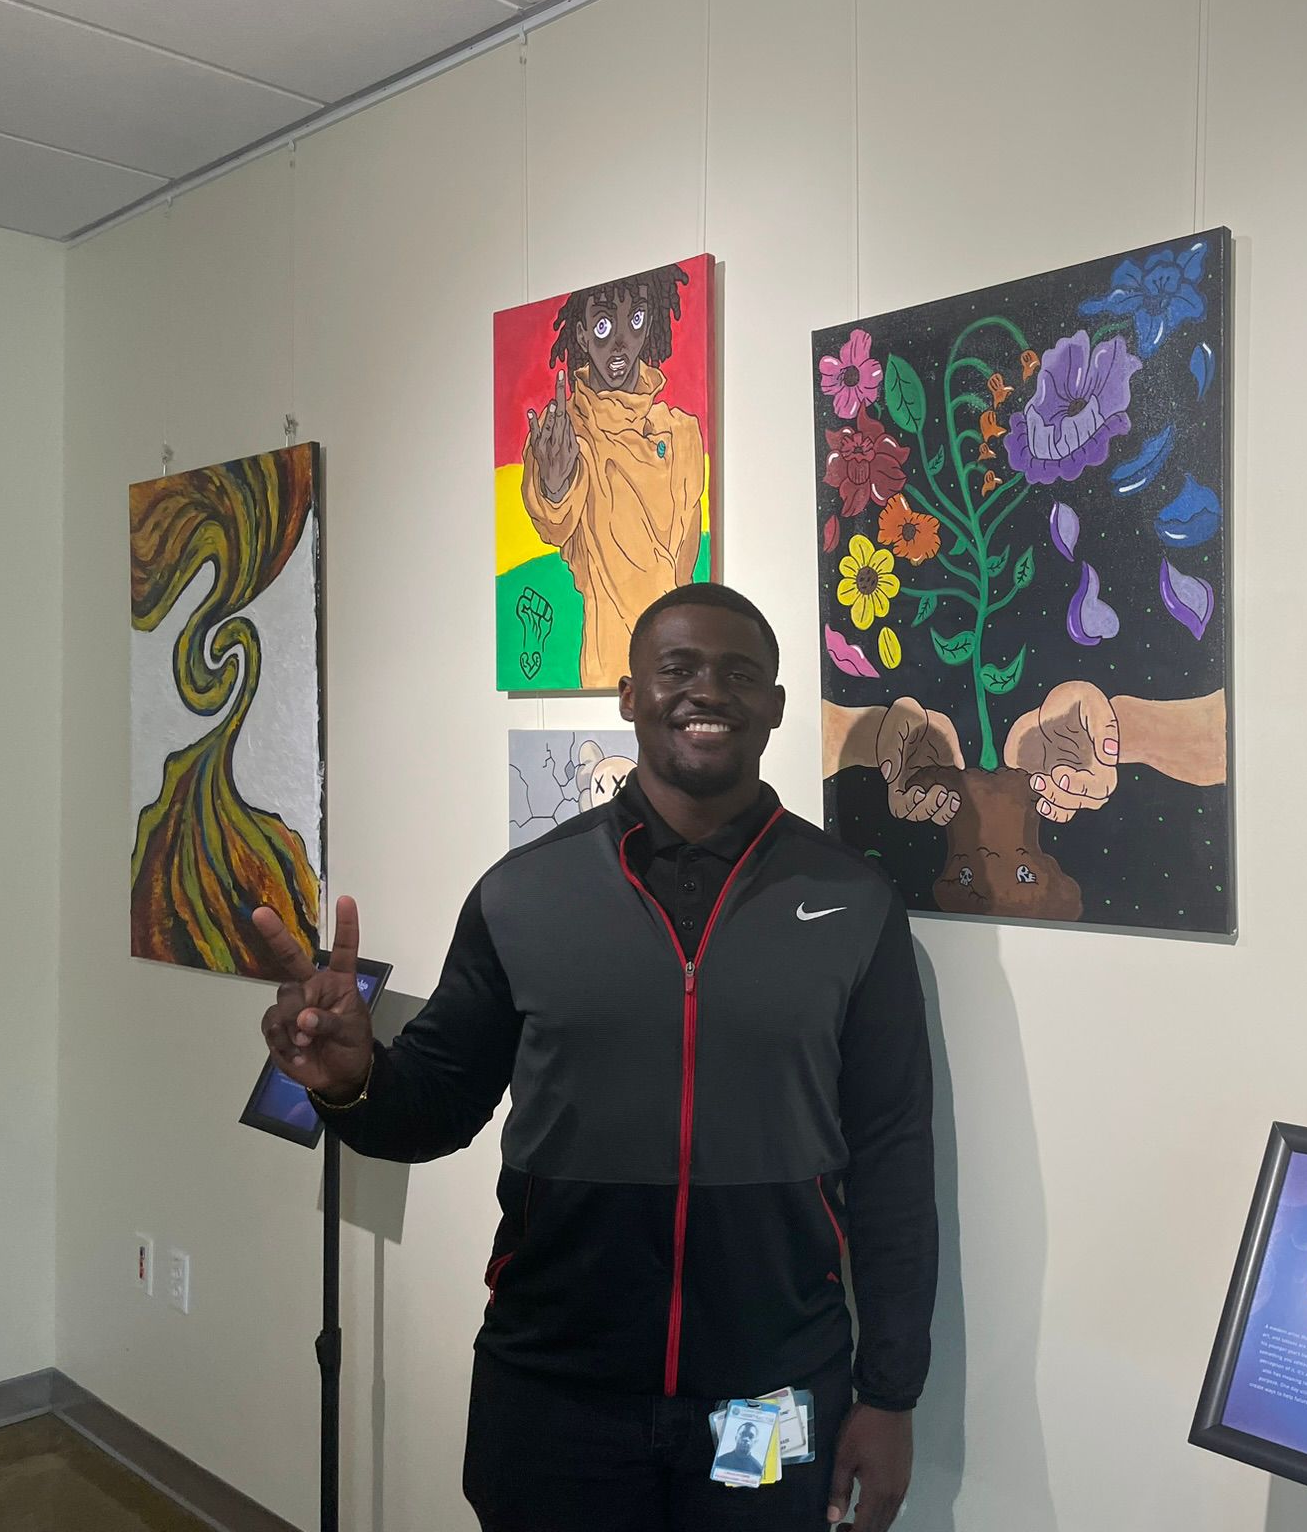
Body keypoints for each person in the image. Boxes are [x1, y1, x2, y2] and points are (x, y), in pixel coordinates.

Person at [255, 584, 936, 1532]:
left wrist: (891, 1391)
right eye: (679, 668)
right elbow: (438, 1105)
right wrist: (354, 1081)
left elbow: (896, 1156)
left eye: (741, 673)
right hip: (553, 1397)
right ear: (628, 696)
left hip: (767, 1396)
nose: (710, 691)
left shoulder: (853, 905)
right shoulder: (523, 895)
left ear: (776, 706)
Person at [520, 264, 707, 689]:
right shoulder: (568, 430)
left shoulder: (681, 432)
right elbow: (554, 524)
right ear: (582, 336)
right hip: (608, 671)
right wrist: (554, 484)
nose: (621, 341)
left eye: (636, 319)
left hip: (675, 672)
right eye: (603, 325)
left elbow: (685, 570)